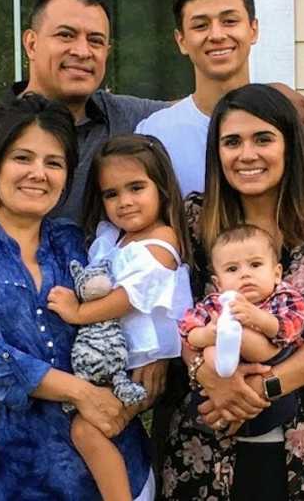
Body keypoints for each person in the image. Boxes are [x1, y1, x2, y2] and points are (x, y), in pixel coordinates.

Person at [0, 94, 153, 500]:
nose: (38, 174)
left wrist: (156, 360)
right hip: (3, 471)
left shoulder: (74, 242)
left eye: (54, 163)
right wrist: (81, 392)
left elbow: (126, 312)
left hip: (110, 468)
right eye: (22, 158)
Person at [159, 83, 304, 500]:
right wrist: (212, 381)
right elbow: (176, 314)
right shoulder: (195, 221)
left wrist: (259, 389)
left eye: (263, 139)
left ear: (290, 145)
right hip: (207, 442)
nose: (247, 154)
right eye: (232, 141)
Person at [45, 134, 193, 501]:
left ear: (161, 188)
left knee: (87, 430)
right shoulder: (113, 239)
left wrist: (78, 313)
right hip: (112, 361)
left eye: (136, 188)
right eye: (111, 194)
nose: (124, 202)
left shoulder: (162, 241)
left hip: (139, 367)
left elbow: (127, 298)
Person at [135, 0, 304, 196]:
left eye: (229, 21)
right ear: (181, 40)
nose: (217, 35)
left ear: (253, 29)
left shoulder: (297, 125)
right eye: (200, 25)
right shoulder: (156, 133)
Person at [178, 224, 304, 437]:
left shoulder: (283, 297)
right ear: (218, 283)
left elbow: (292, 328)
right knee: (209, 348)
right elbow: (186, 330)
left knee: (242, 336)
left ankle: (230, 338)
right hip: (221, 373)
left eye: (255, 265)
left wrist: (259, 318)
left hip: (271, 359)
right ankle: (224, 370)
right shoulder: (214, 303)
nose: (245, 274)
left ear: (277, 273)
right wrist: (208, 334)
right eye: (232, 269)